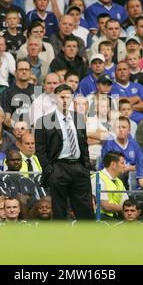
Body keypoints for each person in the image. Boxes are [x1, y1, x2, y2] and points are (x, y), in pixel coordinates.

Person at [35, 84, 94, 220]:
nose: (65, 100)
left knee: (85, 209)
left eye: (68, 97)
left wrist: (86, 167)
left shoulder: (79, 118)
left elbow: (84, 145)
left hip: (79, 167)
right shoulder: (43, 121)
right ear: (55, 99)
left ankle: (89, 239)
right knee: (59, 209)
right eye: (62, 97)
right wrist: (50, 170)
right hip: (58, 167)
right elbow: (40, 150)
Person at [91, 150, 128, 220]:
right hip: (100, 218)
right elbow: (105, 206)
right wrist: (126, 208)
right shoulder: (98, 178)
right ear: (113, 164)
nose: (124, 166)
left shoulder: (119, 182)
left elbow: (125, 202)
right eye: (122, 163)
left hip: (116, 217)